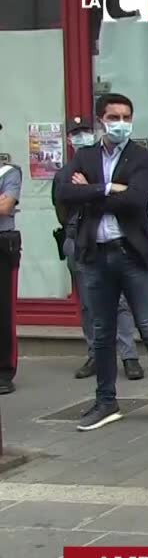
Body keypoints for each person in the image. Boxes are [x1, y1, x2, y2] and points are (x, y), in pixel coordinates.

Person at [54, 93, 148, 431]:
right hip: (95, 255)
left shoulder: (143, 158)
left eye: (126, 116)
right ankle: (106, 401)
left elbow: (136, 201)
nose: (121, 123)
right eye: (114, 117)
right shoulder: (85, 156)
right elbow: (64, 193)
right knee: (102, 330)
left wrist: (91, 192)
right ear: (101, 120)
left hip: (131, 254)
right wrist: (109, 187)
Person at [56, 115, 144, 382]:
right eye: (76, 133)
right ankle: (95, 353)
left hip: (113, 238)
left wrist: (90, 190)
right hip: (78, 238)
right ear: (69, 139)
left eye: (86, 131)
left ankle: (129, 356)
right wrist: (98, 192)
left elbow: (126, 197)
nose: (81, 137)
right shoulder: (66, 171)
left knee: (119, 303)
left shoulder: (111, 166)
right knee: (88, 302)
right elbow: (62, 203)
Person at [0, 124, 21, 395]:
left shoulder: (8, 171)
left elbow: (5, 207)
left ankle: (4, 371)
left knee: (3, 310)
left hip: (2, 244)